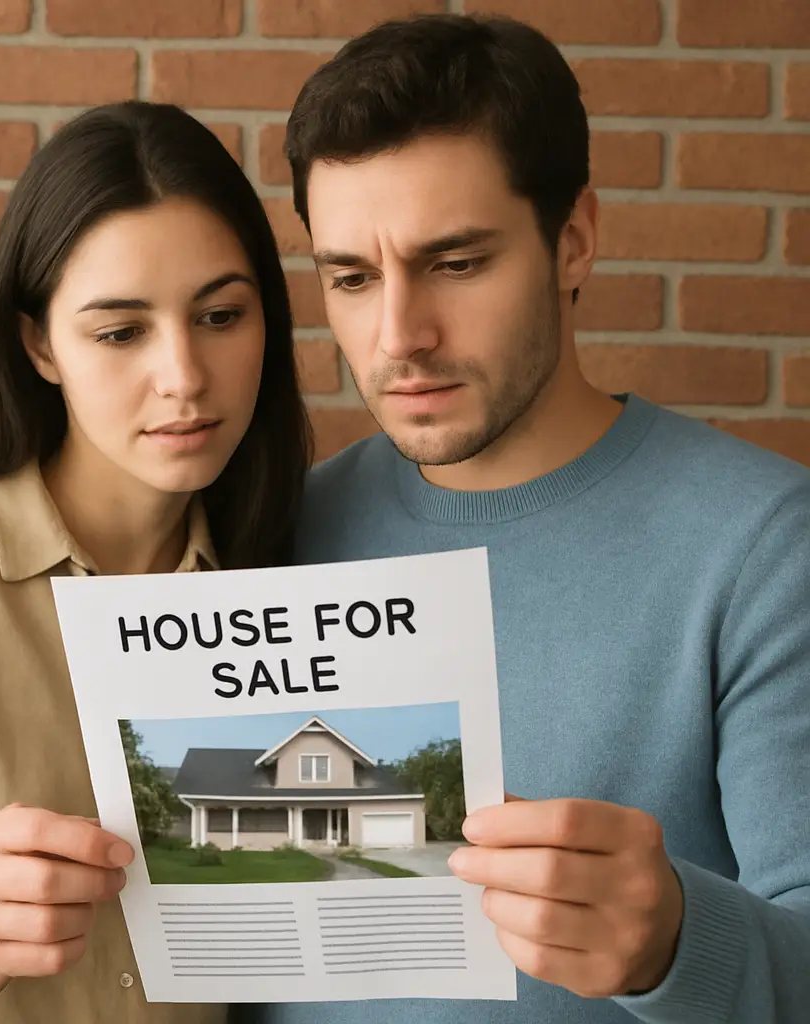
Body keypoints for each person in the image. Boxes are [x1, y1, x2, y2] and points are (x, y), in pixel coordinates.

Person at [249, 12, 810, 1024]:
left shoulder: (766, 546)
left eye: (456, 263)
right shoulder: (274, 531)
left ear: (573, 240)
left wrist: (676, 940)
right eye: (350, 277)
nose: (398, 336)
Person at [0, 100, 310, 1024]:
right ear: (40, 344)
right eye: (121, 332)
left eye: (222, 315)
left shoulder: (296, 568)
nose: (185, 375)